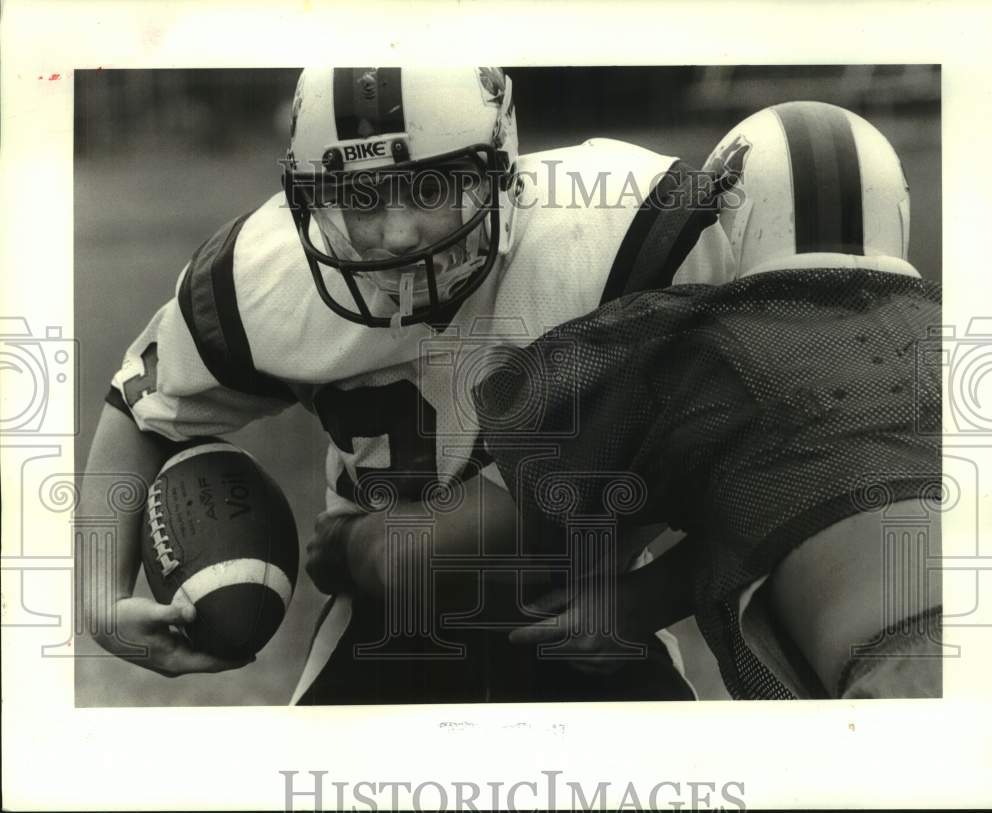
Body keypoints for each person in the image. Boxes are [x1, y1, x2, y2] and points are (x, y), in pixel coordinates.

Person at [80, 67, 734, 703]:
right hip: (381, 637)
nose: (396, 234)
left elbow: (776, 447)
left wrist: (649, 598)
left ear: (498, 173)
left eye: (428, 190)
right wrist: (100, 599)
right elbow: (145, 406)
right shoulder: (265, 278)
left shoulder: (610, 238)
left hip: (585, 609)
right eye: (362, 197)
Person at [486, 101, 943, 699]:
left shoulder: (705, 348)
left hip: (911, 668)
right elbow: (823, 494)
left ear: (732, 223)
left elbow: (530, 496)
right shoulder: (953, 331)